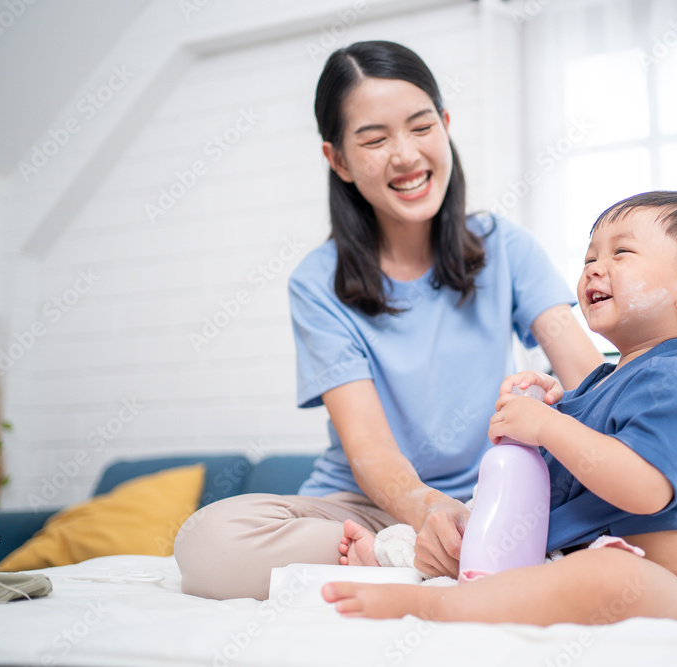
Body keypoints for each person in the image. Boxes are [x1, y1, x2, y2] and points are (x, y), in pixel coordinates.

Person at [172, 40, 602, 600]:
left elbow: (589, 380)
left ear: (445, 125)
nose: (405, 156)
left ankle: (431, 557)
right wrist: (431, 513)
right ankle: (405, 554)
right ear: (339, 161)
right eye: (375, 140)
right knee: (210, 544)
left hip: (496, 496)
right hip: (369, 509)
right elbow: (369, 447)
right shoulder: (317, 282)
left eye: (421, 127)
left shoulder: (506, 248)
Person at [322, 190, 677, 625]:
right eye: (589, 258)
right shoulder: (607, 383)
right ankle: (398, 558)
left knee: (606, 573)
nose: (594, 268)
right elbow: (572, 470)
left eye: (621, 252)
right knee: (483, 535)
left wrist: (547, 426)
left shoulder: (673, 376)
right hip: (586, 554)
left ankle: (436, 606)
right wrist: (549, 406)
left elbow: (645, 488)